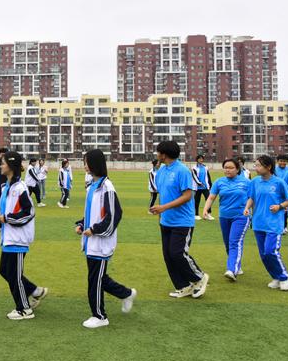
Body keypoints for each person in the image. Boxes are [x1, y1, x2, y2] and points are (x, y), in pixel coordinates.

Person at [74, 149, 136, 329]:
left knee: (95, 280)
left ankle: (100, 316)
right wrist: (82, 224)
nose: (85, 166)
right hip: (91, 242)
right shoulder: (92, 186)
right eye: (84, 162)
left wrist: (94, 230)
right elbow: (92, 213)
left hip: (100, 243)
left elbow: (114, 216)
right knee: (99, 278)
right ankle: (126, 294)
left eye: (87, 162)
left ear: (95, 163)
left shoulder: (107, 187)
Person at [149, 140, 209, 299]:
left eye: (158, 152)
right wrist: (161, 212)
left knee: (177, 253)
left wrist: (164, 207)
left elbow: (188, 195)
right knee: (168, 256)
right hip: (165, 221)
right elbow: (163, 194)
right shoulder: (161, 170)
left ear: (164, 154)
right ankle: (183, 286)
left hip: (182, 221)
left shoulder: (182, 170)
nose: (157, 155)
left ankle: (200, 277)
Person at [0, 151, 47, 321]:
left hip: (18, 239)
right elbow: (8, 210)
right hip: (8, 238)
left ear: (11, 166)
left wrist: (7, 218)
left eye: (3, 163)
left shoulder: (20, 188)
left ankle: (24, 309)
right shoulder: (7, 187)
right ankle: (34, 291)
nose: (0, 166)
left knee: (14, 275)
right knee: (4, 270)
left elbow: (29, 212)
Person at [243, 155, 288, 291]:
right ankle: (276, 277)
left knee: (271, 251)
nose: (256, 168)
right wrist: (247, 208)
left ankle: (284, 277)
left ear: (269, 167)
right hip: (258, 223)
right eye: (255, 165)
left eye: (259, 165)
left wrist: (279, 206)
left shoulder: (279, 182)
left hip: (274, 224)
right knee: (264, 254)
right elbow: (251, 197)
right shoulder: (254, 182)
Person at [202, 158, 250, 281]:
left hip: (241, 217)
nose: (228, 170)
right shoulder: (219, 182)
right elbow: (211, 197)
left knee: (234, 242)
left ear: (237, 169)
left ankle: (231, 270)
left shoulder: (246, 182)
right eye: (226, 167)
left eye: (231, 168)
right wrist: (205, 209)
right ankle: (236, 265)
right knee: (228, 243)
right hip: (224, 216)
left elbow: (252, 199)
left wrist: (254, 215)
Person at [192, 155, 213, 221]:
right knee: (197, 201)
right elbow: (194, 177)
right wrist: (200, 183)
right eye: (200, 159)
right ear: (197, 160)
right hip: (197, 187)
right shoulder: (194, 168)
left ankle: (208, 214)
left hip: (205, 187)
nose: (201, 160)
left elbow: (208, 176)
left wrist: (210, 184)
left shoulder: (205, 167)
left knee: (208, 199)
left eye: (202, 159)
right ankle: (196, 215)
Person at [275, 154, 288, 234]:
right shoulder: (274, 170)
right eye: (281, 161)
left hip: (286, 193)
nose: (282, 163)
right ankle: (277, 226)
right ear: (277, 161)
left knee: (285, 210)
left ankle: (284, 227)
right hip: (275, 192)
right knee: (276, 209)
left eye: (284, 161)